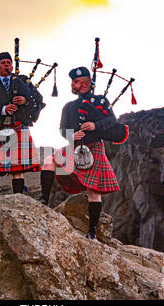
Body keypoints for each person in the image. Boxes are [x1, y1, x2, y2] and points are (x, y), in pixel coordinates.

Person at [39, 66, 120, 241]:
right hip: (74, 147)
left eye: (76, 82)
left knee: (94, 192)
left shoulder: (100, 101)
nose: (73, 85)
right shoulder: (69, 106)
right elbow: (62, 129)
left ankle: (92, 232)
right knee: (49, 160)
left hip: (94, 147)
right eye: (72, 82)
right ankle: (44, 201)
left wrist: (95, 126)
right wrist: (71, 135)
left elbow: (112, 120)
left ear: (86, 83)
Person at [0, 52, 41, 196]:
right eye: (3, 62)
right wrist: (3, 109)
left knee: (17, 169)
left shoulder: (22, 81)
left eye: (8, 62)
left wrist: (26, 100)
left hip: (19, 125)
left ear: (12, 65)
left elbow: (38, 98)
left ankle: (18, 199)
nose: (6, 64)